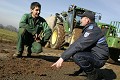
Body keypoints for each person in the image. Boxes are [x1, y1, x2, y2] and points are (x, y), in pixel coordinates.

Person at [51, 11, 109, 80]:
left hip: (99, 59)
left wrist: (62, 58)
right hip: (95, 55)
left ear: (87, 20)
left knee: (77, 56)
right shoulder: (90, 28)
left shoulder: (92, 30)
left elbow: (79, 44)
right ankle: (84, 70)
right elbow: (78, 43)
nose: (80, 20)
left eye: (82, 18)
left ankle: (93, 75)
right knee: (77, 52)